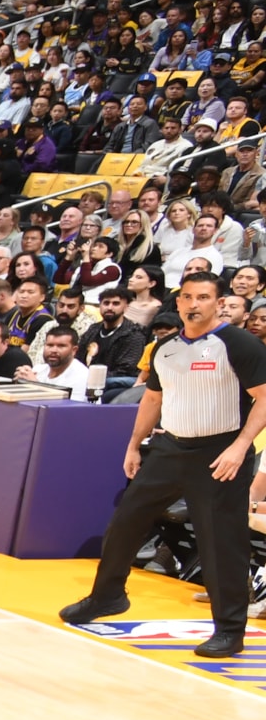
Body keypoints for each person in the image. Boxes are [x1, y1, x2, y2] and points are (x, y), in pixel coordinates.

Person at [60, 266, 265, 660]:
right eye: (187, 297)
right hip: (170, 448)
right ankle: (107, 596)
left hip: (220, 451)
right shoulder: (166, 348)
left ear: (219, 303)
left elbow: (264, 396)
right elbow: (152, 399)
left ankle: (230, 630)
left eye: (203, 297)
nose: (193, 304)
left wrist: (240, 446)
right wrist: (134, 445)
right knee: (126, 521)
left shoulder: (238, 344)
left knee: (220, 541)